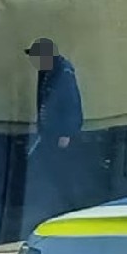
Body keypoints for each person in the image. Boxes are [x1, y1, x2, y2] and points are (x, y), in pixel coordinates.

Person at [23, 38, 84, 232]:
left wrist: (66, 133)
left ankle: (71, 208)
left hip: (61, 133)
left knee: (63, 173)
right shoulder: (46, 71)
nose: (34, 62)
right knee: (51, 171)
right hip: (49, 131)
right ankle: (60, 206)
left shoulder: (63, 73)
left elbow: (72, 103)